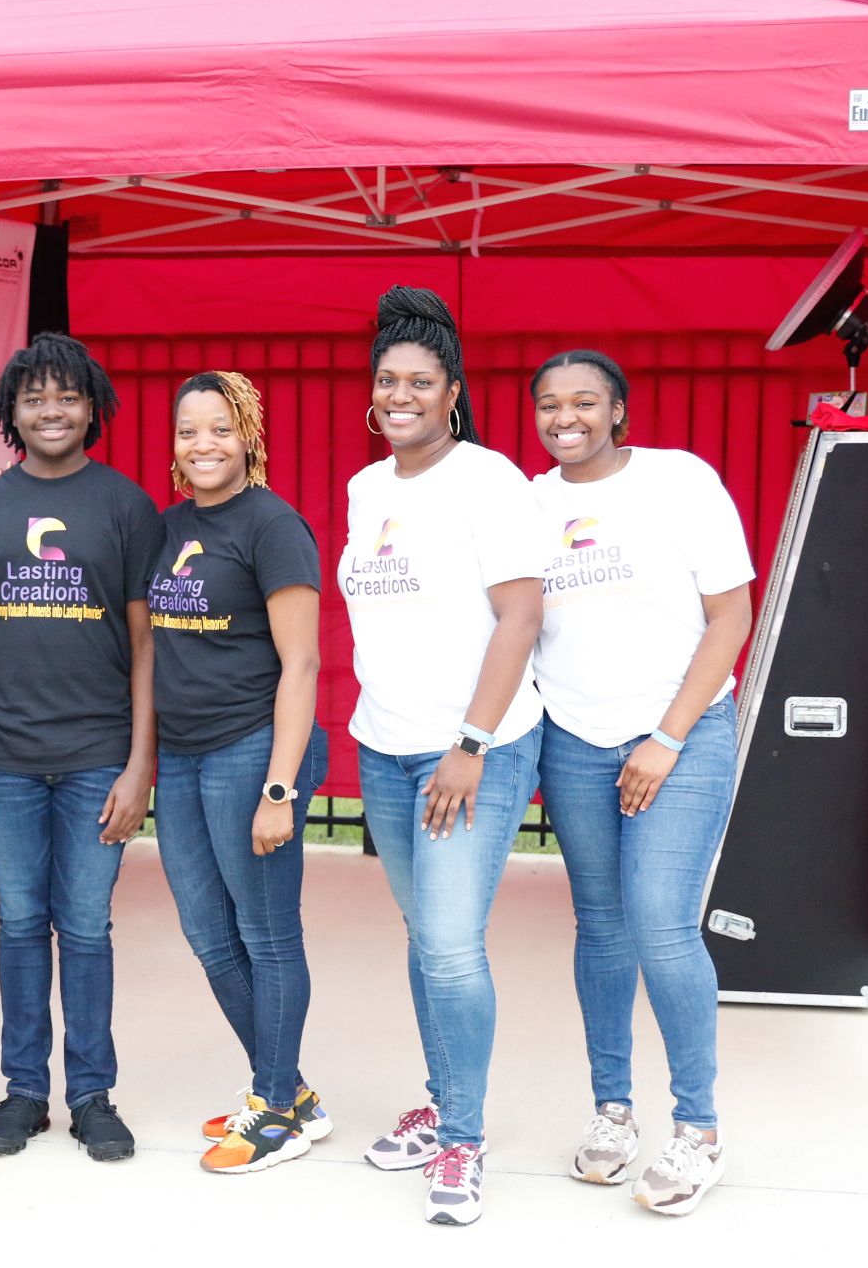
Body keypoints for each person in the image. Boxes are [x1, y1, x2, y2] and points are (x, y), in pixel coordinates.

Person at [338, 287, 547, 1226]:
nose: (401, 395)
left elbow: (521, 617)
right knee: (427, 939)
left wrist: (469, 743)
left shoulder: (489, 480)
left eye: (420, 382)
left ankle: (462, 1135)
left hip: (470, 751)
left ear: (452, 393)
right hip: (384, 746)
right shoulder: (367, 489)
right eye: (388, 380)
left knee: (454, 949)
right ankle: (442, 1100)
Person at [0, 333, 161, 1163]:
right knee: (22, 923)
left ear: (92, 408)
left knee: (86, 926)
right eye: (34, 398)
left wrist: (140, 765)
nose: (51, 410)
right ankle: (25, 1090)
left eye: (67, 397)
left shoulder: (127, 506)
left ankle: (92, 1095)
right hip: (4, 757)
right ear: (10, 412)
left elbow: (147, 645)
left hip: (99, 756)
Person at [528, 349, 752, 1217]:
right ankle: (613, 1111)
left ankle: (698, 1127)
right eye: (550, 404)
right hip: (574, 738)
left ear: (617, 409)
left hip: (681, 735)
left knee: (661, 922)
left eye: (584, 401)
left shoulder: (679, 482)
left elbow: (730, 615)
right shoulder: (530, 503)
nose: (566, 418)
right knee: (602, 926)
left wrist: (666, 736)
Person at [148, 371, 329, 1175]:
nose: (204, 444)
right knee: (208, 933)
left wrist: (279, 788)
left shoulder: (273, 525)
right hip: (183, 756)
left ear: (248, 435)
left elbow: (302, 664)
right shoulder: (167, 527)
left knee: (266, 934)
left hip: (252, 751)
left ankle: (275, 1110)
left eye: (220, 428)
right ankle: (287, 1090)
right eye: (189, 430)